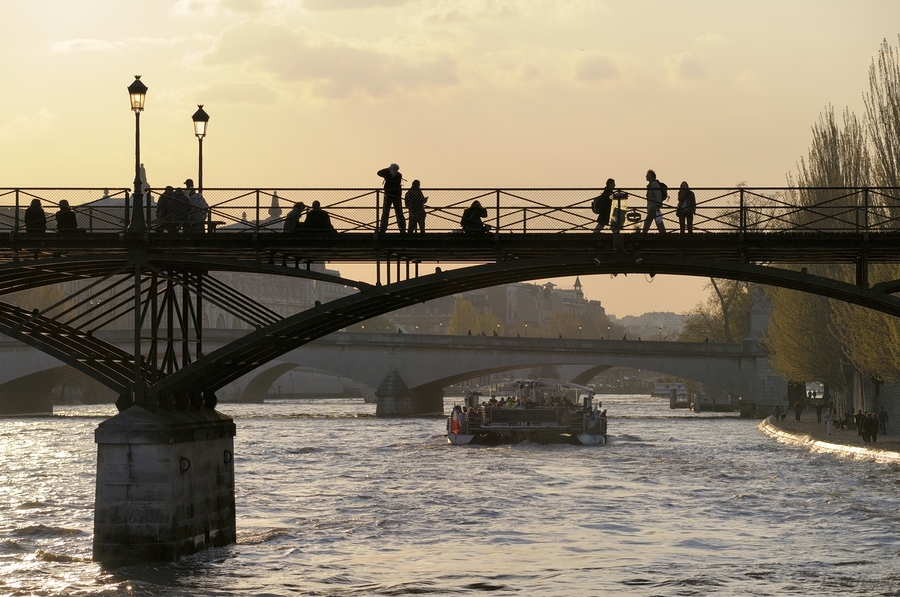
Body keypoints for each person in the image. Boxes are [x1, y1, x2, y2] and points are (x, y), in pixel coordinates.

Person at [376, 163, 405, 234]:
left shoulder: (387, 174)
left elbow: (379, 173)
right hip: (397, 196)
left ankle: (383, 229)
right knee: (399, 213)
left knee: (385, 213)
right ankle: (402, 229)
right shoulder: (399, 175)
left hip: (388, 196)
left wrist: (387, 169)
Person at [642, 169, 666, 233]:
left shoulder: (654, 185)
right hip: (653, 206)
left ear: (651, 176)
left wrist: (658, 205)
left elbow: (658, 195)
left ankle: (643, 233)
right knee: (658, 221)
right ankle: (663, 233)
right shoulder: (652, 185)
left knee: (648, 221)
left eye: (647, 175)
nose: (646, 176)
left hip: (653, 207)